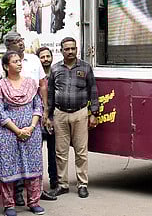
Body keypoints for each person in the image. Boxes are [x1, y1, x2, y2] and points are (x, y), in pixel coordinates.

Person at [0, 51, 45, 216]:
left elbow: (38, 106)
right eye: (15, 61)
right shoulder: (0, 86)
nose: (19, 63)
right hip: (7, 133)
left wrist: (31, 127)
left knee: (33, 165)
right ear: (7, 66)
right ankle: (9, 205)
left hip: (31, 132)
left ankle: (34, 202)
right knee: (8, 167)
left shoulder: (30, 83)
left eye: (20, 61)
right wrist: (17, 130)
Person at [48, 37, 98, 198]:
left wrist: (94, 113)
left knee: (81, 151)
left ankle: (82, 184)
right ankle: (62, 184)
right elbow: (50, 94)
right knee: (60, 152)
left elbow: (93, 90)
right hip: (60, 114)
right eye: (66, 49)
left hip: (80, 113)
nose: (70, 51)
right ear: (61, 50)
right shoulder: (55, 69)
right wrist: (48, 116)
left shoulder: (85, 67)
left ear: (77, 49)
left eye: (73, 48)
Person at [35, 47, 58, 191]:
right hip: (38, 117)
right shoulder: (34, 74)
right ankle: (35, 184)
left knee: (53, 151)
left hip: (55, 116)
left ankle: (54, 181)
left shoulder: (57, 73)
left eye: (48, 56)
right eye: (42, 57)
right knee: (36, 152)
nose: (45, 59)